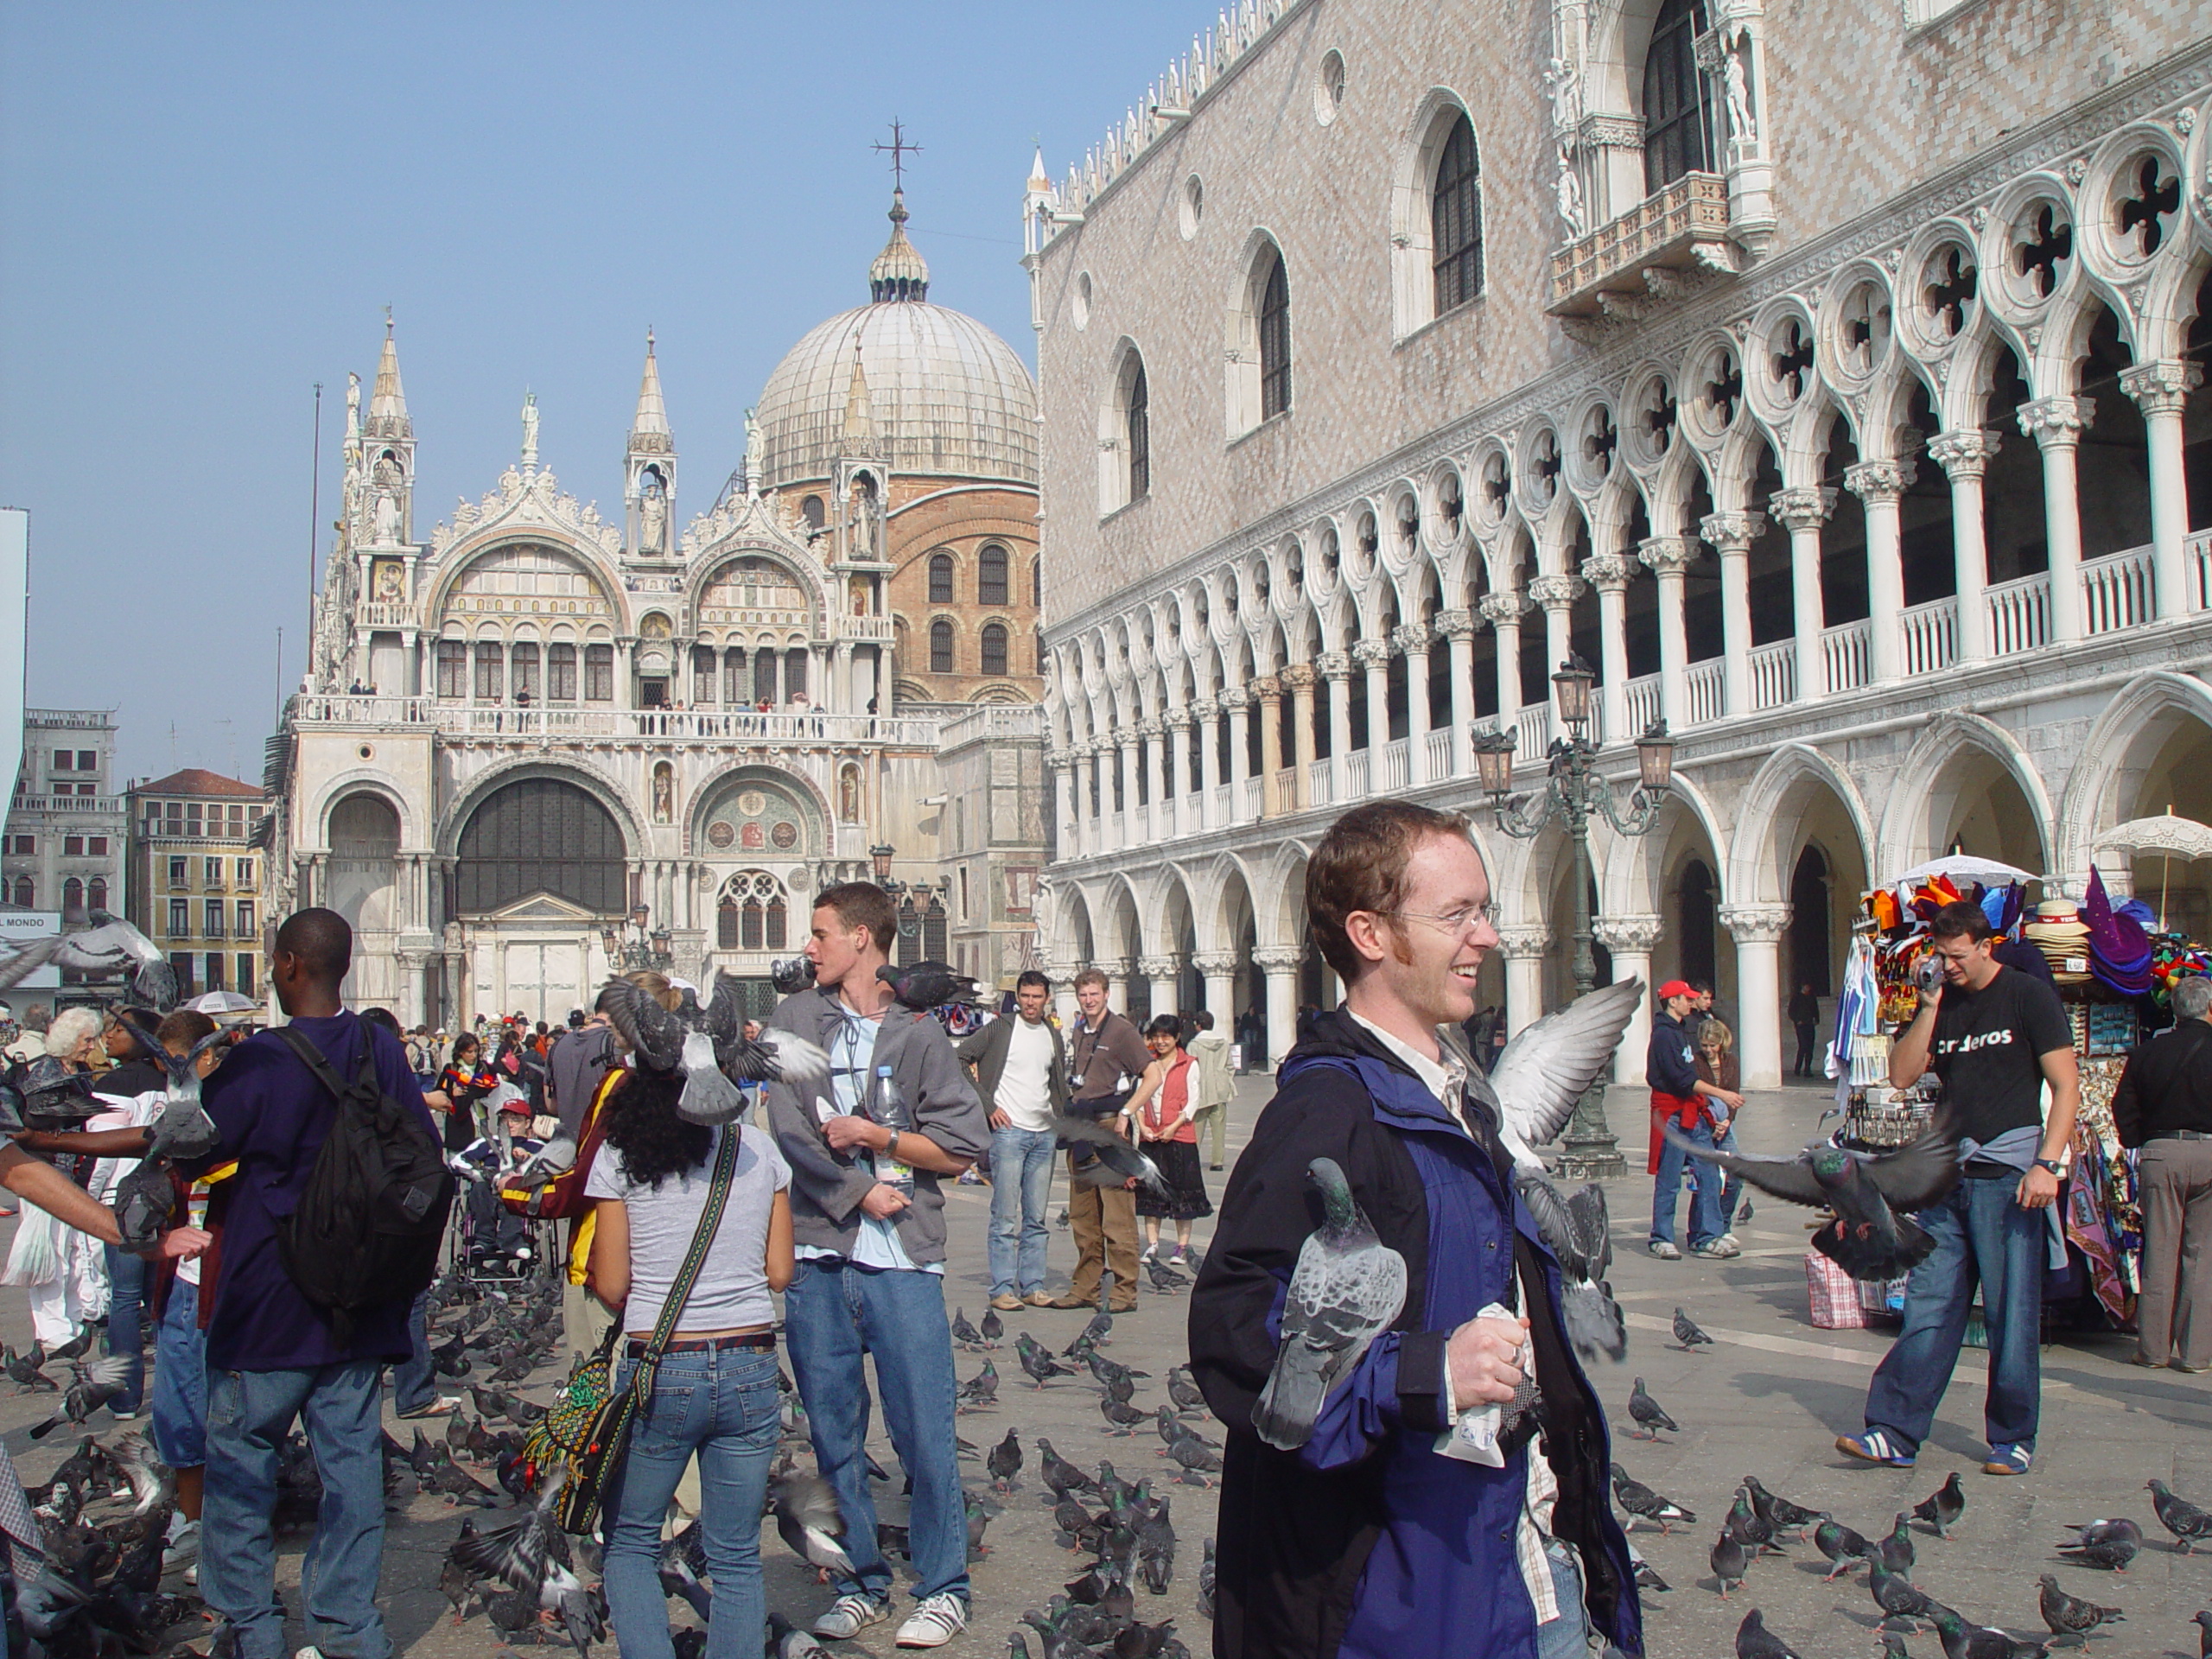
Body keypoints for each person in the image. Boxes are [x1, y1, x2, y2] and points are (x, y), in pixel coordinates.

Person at [1189, 800, 1638, 1659]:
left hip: (1514, 1549)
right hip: (1398, 1588)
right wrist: (1429, 1370)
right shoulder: (1326, 1115)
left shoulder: (1457, 1097)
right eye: (1457, 914)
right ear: (1369, 933)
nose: (1487, 937)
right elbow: (1237, 1335)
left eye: (1485, 910)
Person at [182, 907, 442, 1659]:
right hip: (357, 1301)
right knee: (353, 1467)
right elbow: (420, 1161)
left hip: (267, 1298)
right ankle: (348, 1628)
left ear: (291, 964)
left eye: (273, 958)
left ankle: (250, 1629)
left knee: (241, 1465)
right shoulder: (381, 1049)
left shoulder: (256, 1062)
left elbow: (197, 1151)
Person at [765, 882, 989, 1649]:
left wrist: (882, 1139)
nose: (809, 946)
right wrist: (859, 1190)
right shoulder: (794, 1019)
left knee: (925, 1430)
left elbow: (961, 1149)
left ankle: (943, 1585)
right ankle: (862, 1578)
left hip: (903, 1264)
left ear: (863, 937)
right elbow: (789, 1126)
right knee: (833, 1429)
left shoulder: (920, 1037)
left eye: (821, 933)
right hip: (822, 1256)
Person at [1838, 899, 2077, 1478]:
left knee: (2011, 1313)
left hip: (2009, 1176)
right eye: (1941, 956)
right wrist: (1928, 1005)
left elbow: (2065, 1086)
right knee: (1929, 1305)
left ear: (1985, 944)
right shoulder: (1942, 999)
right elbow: (1900, 1074)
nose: (1949, 966)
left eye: (1957, 956)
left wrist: (2047, 1164)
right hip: (1951, 1179)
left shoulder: (2027, 996)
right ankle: (1893, 1430)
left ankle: (2013, 1437)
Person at [586, 1004, 794, 1659]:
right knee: (734, 1555)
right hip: (751, 1365)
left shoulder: (621, 1158)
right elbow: (780, 1271)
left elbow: (613, 1286)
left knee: (631, 1542)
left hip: (662, 1369)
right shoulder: (759, 1149)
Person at [2111, 971, 2212, 1370]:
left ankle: (2152, 1350)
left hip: (2161, 1151)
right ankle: (2197, 1352)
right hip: (2210, 1151)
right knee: (2201, 1255)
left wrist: (2140, 1140)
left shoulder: (2147, 1053)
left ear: (2174, 1010)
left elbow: (2123, 1108)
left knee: (2160, 1250)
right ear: (2208, 1008)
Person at [956, 969, 1070, 1312]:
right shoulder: (1000, 1028)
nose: (1030, 1002)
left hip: (1043, 1133)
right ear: (1017, 997)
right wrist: (988, 1104)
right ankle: (1002, 1286)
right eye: (1025, 996)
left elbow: (1055, 1080)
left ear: (1046, 998)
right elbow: (960, 1057)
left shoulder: (1052, 1033)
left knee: (1037, 1216)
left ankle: (1032, 1285)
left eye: (1037, 996)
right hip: (1009, 1132)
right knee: (1005, 1215)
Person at [1052, 968, 1150, 1313]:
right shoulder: (1079, 1029)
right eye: (1083, 995)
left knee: (1118, 1217)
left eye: (1094, 994)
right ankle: (1085, 1287)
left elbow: (1152, 1075)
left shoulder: (1123, 1032)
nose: (1089, 1000)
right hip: (1082, 1128)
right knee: (1083, 1216)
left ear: (1106, 994)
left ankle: (1124, 1292)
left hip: (1110, 1129)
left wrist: (1128, 1113)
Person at [1646, 980, 1739, 1261]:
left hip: (1692, 1112)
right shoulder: (1664, 1035)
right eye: (1685, 998)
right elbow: (1682, 1078)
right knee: (1670, 1178)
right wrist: (1721, 1094)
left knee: (1709, 1173)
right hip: (1673, 1115)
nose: (1690, 1002)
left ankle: (1706, 1237)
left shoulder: (1681, 1031)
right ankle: (1661, 1237)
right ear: (1672, 1001)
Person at [1128, 1014, 1212, 1263]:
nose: (1161, 1041)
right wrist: (1141, 1125)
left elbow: (1193, 1100)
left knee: (1182, 1192)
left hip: (1180, 1136)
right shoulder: (1148, 1063)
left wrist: (1175, 1126)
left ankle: (1182, 1247)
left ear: (1177, 1037)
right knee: (1150, 1192)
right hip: (1151, 1135)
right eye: (1157, 1036)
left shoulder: (1189, 1064)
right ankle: (1152, 1244)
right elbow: (1140, 1096)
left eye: (1166, 1036)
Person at [1694, 1017, 1750, 1245]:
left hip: (1726, 1123)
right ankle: (1706, 1227)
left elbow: (1734, 1095)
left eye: (1712, 1045)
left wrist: (1727, 1122)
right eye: (1704, 1045)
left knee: (1736, 1174)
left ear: (1721, 1043)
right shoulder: (1696, 1062)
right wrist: (1712, 1122)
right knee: (1706, 1178)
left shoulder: (1731, 1062)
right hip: (1702, 1122)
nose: (1708, 1050)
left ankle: (1724, 1223)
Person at [1185, 1009, 1235, 1172]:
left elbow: (1189, 1068)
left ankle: (1193, 1159)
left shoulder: (1194, 1045)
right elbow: (1230, 1066)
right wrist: (1225, 1080)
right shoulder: (1224, 1042)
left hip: (1202, 1090)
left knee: (1197, 1127)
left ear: (1198, 1026)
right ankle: (1217, 1161)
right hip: (1220, 1088)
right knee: (1219, 1128)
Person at [437, 1032, 498, 1154]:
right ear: (461, 1052)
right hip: (458, 1121)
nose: (474, 1055)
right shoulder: (451, 1069)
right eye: (470, 1052)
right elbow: (439, 1091)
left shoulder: (483, 1068)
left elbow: (494, 1083)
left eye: (476, 1051)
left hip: (480, 1118)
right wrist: (451, 1092)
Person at [1789, 983, 1821, 1077]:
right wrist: (1797, 1020)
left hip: (1810, 1024)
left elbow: (1815, 1009)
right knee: (1803, 1046)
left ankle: (1807, 1069)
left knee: (1810, 1048)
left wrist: (1816, 1019)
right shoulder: (1796, 998)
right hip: (1801, 1025)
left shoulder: (1811, 997)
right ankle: (1797, 1069)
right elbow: (1791, 1011)